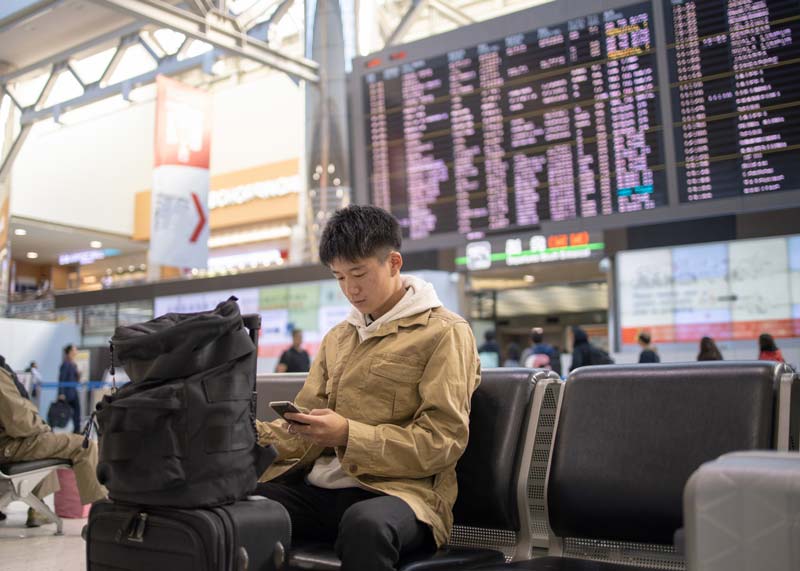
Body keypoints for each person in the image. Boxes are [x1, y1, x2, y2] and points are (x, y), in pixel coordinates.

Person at [254, 205, 480, 571]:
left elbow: (443, 441)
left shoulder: (444, 333)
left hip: (402, 494)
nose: (350, 289)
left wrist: (347, 434)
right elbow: (302, 431)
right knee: (238, 507)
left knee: (366, 525)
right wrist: (251, 433)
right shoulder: (339, 338)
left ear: (393, 263)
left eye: (358, 273)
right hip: (321, 490)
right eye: (339, 277)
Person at [0, 365, 106, 527]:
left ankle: (38, 508)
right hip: (7, 446)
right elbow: (19, 421)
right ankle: (103, 517)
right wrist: (42, 427)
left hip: (8, 444)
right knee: (84, 446)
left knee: (46, 445)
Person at [58, 344, 82, 434]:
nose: (76, 351)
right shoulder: (66, 364)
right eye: (75, 349)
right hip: (68, 393)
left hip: (73, 391)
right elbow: (62, 379)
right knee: (69, 411)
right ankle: (74, 429)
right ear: (70, 352)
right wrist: (61, 393)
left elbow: (75, 379)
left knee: (77, 411)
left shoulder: (73, 364)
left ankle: (77, 430)